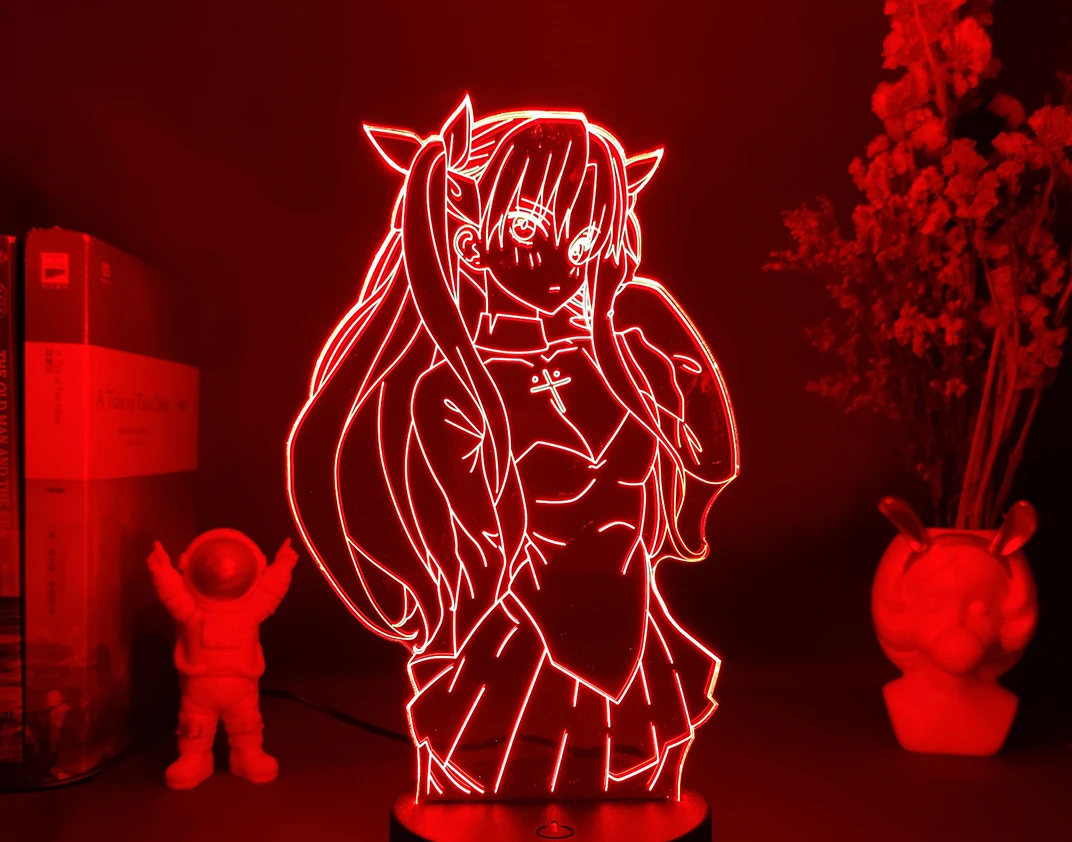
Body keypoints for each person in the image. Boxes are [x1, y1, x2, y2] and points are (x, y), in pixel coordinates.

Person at [288, 99, 738, 799]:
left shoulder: (622, 359)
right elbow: (478, 530)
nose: (563, 263)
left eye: (585, 240)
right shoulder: (450, 386)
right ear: (470, 241)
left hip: (629, 623)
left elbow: (702, 465)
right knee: (493, 783)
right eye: (530, 228)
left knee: (644, 786)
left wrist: (675, 377)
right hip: (519, 627)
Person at [147, 530, 298, 790]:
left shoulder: (250, 611)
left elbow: (270, 592)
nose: (224, 575)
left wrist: (283, 565)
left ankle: (247, 755)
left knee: (246, 723)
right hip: (200, 687)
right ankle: (194, 758)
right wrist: (161, 570)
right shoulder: (193, 612)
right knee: (195, 723)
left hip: (241, 685)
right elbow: (173, 594)